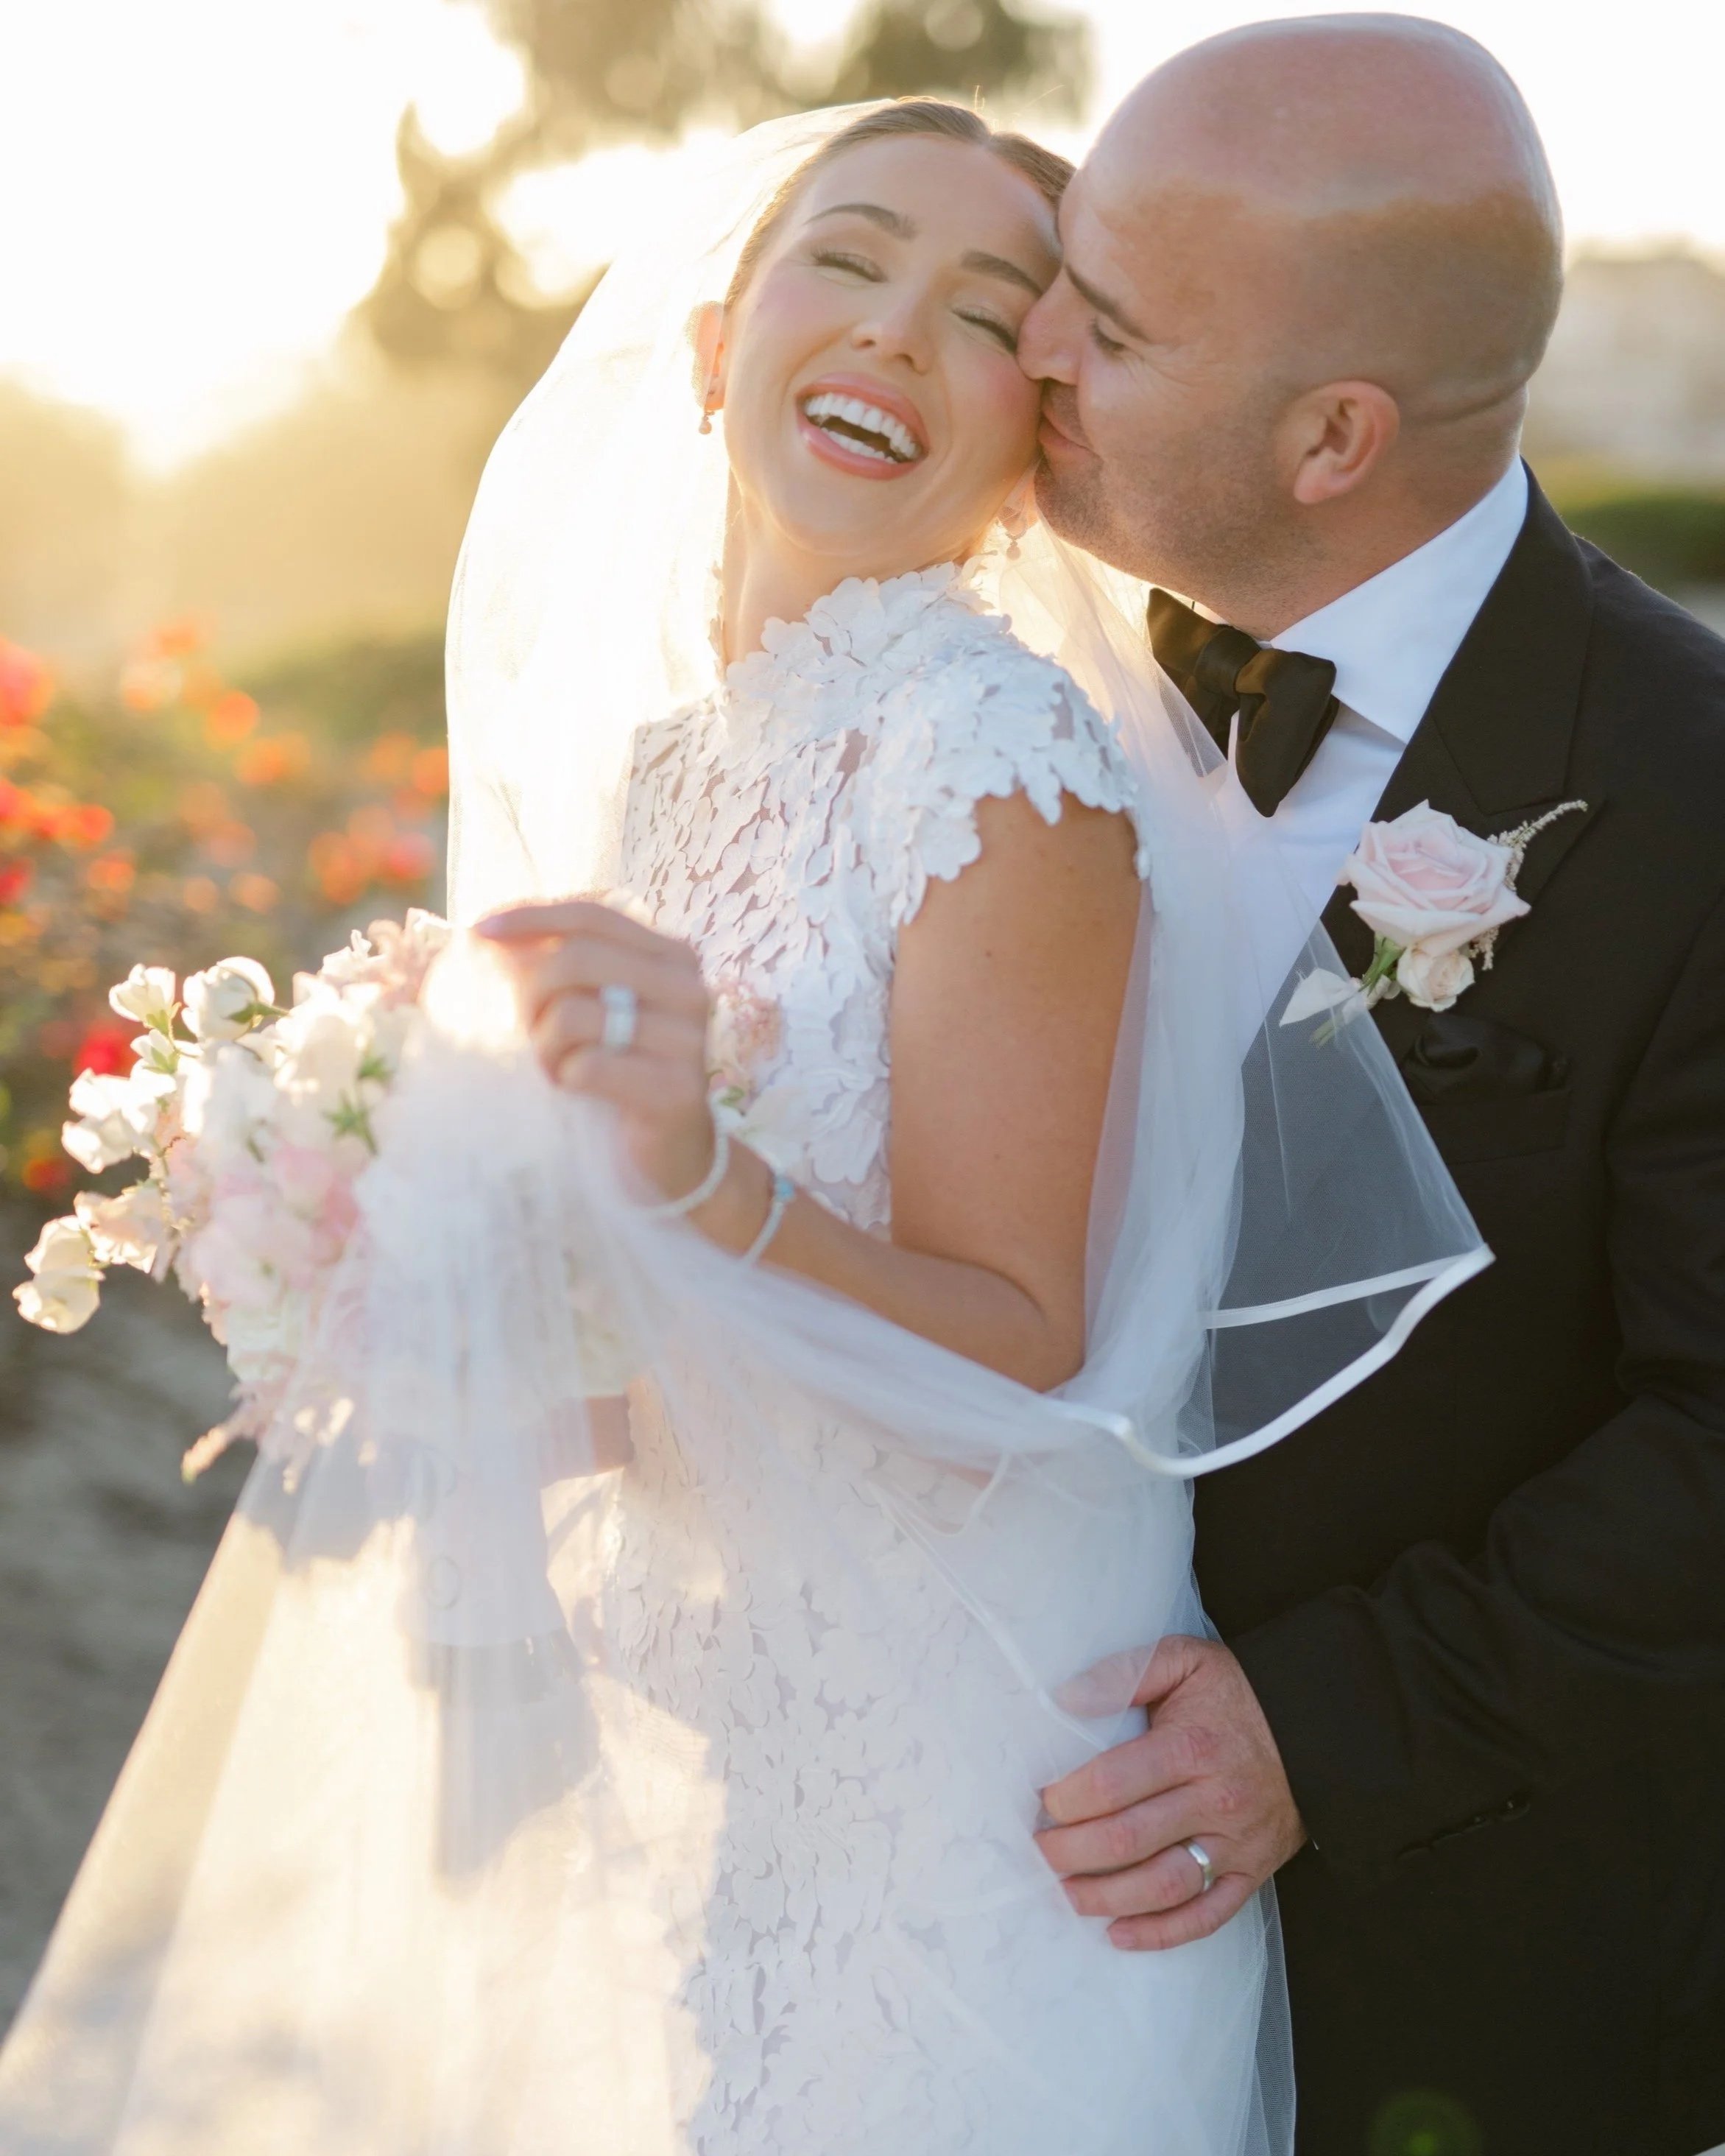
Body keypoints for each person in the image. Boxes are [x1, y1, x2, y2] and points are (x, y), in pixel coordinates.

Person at [0, 98, 1487, 2155]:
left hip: (973, 1805)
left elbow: (1020, 1345)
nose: (892, 332)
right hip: (736, 1741)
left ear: (1025, 441)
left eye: (985, 313)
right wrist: (428, 1319)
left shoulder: (1003, 765)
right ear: (719, 342)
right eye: (848, 259)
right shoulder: (678, 769)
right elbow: (703, 1332)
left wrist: (696, 1172)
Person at [1020, 18, 1725, 2153]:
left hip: (1462, 1992)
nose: (1028, 338)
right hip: (976, 1915)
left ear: (1334, 438)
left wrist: (1322, 1732)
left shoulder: (1697, 802)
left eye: (1109, 321)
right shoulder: (988, 676)